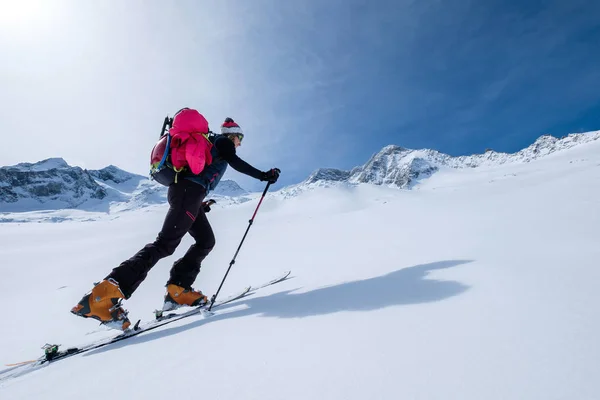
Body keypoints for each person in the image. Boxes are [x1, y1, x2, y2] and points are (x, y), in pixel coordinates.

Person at [71, 114, 281, 330]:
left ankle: (178, 290)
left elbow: (198, 174)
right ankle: (101, 299)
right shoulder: (223, 141)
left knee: (206, 241)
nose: (240, 143)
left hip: (191, 195)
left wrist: (199, 205)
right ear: (233, 135)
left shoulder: (212, 145)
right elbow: (235, 162)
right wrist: (263, 175)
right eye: (240, 138)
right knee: (164, 244)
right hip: (188, 193)